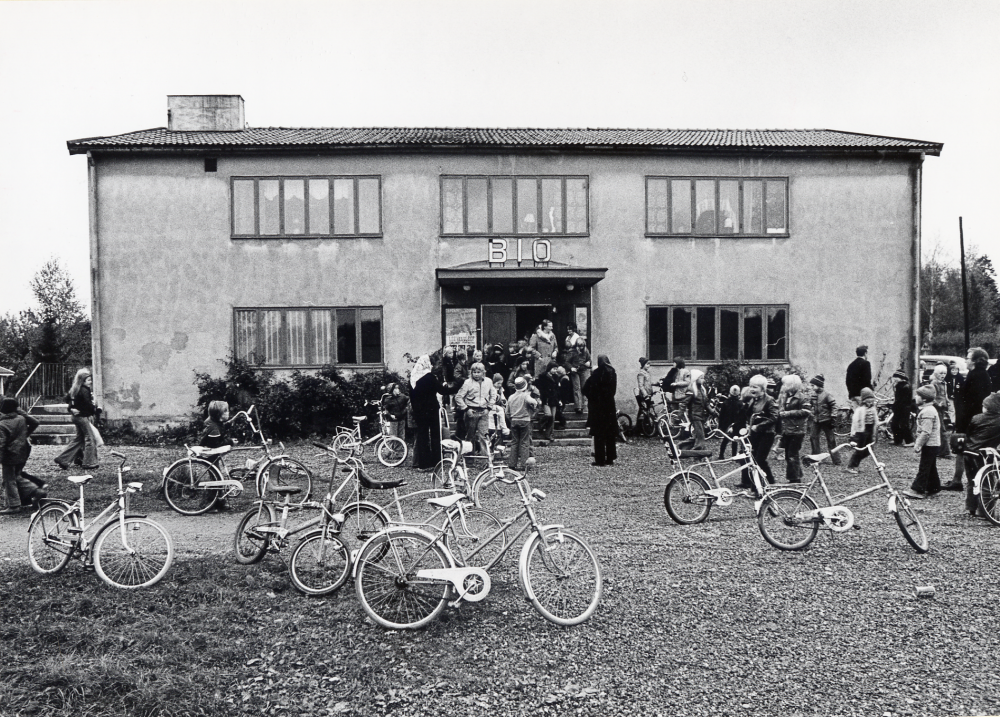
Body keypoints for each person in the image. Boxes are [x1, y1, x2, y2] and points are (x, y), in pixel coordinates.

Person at [943, 347, 994, 491]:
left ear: (976, 361)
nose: (965, 360)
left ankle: (959, 481)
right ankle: (958, 479)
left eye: (968, 357)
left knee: (962, 450)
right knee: (963, 450)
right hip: (971, 420)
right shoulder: (977, 374)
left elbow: (973, 402)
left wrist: (963, 423)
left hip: (970, 421)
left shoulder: (977, 376)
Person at [410, 355, 456, 470]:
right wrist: (458, 386)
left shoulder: (413, 378)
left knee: (422, 436)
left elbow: (412, 398)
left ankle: (422, 463)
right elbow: (442, 390)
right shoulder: (429, 377)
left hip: (419, 412)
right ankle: (436, 461)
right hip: (431, 410)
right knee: (435, 436)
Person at [0, 397, 44, 513]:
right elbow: (34, 422)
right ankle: (35, 491)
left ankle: (14, 505)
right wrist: (26, 434)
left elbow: (1, 444)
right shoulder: (21, 418)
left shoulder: (2, 424)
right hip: (23, 450)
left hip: (9, 455)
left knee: (9, 479)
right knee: (17, 476)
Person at [960, 392, 1000, 517]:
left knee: (972, 480)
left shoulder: (976, 418)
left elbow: (969, 433)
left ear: (986, 407)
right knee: (987, 482)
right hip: (986, 453)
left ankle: (971, 507)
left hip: (969, 452)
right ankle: (985, 511)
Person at [55, 368, 100, 470]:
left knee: (79, 439)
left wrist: (72, 408)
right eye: (89, 380)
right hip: (82, 417)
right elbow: (88, 404)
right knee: (90, 438)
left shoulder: (74, 388)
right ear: (83, 380)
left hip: (76, 417)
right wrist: (95, 410)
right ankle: (89, 463)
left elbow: (67, 400)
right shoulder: (85, 390)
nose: (91, 382)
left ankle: (63, 459)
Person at [904, 385, 942, 499]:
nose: (915, 397)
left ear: (924, 399)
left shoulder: (928, 412)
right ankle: (933, 487)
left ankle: (918, 489)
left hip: (930, 444)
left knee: (924, 467)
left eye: (918, 395)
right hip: (932, 444)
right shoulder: (928, 410)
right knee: (930, 466)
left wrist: (918, 444)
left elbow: (926, 432)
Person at [454, 361, 497, 458]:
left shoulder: (489, 381)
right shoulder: (467, 383)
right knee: (470, 435)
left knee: (484, 435)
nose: (476, 374)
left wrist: (489, 407)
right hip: (471, 411)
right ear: (471, 373)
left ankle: (486, 459)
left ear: (483, 372)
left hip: (483, 411)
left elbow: (493, 395)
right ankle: (469, 458)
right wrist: (466, 409)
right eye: (474, 372)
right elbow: (458, 397)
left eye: (479, 372)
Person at [743, 375, 778, 489]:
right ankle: (756, 487)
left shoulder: (769, 400)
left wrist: (758, 426)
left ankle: (770, 483)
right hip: (755, 434)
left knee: (760, 460)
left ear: (763, 389)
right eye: (750, 386)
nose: (752, 389)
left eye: (755, 387)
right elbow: (749, 414)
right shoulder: (753, 400)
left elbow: (774, 417)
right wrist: (748, 424)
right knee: (752, 459)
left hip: (767, 434)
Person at [582, 355, 618, 467]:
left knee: (599, 435)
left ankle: (600, 460)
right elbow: (613, 391)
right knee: (610, 434)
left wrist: (592, 397)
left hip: (598, 408)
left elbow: (585, 389)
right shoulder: (613, 372)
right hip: (610, 407)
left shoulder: (596, 374)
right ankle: (610, 458)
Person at [198, 400, 234, 510]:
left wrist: (228, 424)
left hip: (211, 453)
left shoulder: (214, 422)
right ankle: (209, 504)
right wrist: (230, 441)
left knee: (217, 477)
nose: (228, 413)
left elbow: (221, 428)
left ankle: (219, 502)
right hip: (210, 454)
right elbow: (216, 444)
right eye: (226, 411)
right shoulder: (213, 429)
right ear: (219, 415)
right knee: (215, 478)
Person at [778, 374, 811, 483]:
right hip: (788, 429)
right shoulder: (786, 396)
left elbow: (806, 412)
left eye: (785, 383)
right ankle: (795, 476)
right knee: (788, 455)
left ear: (792, 385)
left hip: (797, 430)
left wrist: (788, 413)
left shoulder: (802, 397)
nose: (783, 386)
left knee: (792, 454)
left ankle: (795, 479)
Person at [506, 376, 537, 472]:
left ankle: (512, 464)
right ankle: (524, 464)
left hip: (514, 420)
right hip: (524, 420)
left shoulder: (511, 397)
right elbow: (532, 401)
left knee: (514, 442)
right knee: (524, 443)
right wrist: (534, 405)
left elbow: (507, 412)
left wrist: (511, 419)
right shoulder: (525, 395)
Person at [808, 374, 841, 465]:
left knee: (831, 440)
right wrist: (809, 411)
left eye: (813, 385)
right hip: (816, 421)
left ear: (819, 385)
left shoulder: (827, 395)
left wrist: (833, 418)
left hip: (827, 421)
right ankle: (816, 458)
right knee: (813, 437)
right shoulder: (813, 396)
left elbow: (834, 406)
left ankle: (836, 460)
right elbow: (810, 405)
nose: (812, 387)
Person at [845, 387, 878, 474]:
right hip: (861, 432)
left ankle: (855, 464)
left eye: (872, 401)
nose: (870, 403)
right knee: (860, 450)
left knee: (868, 450)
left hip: (870, 431)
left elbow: (875, 421)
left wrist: (877, 428)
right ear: (864, 400)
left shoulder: (873, 409)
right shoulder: (860, 410)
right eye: (868, 401)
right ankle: (851, 466)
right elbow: (855, 423)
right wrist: (853, 436)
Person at [534, 362, 561, 444]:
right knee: (548, 414)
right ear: (549, 368)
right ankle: (541, 424)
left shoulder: (556, 377)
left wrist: (559, 400)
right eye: (554, 369)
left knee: (552, 417)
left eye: (556, 369)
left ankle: (550, 434)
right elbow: (540, 388)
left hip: (554, 399)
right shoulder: (543, 376)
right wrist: (541, 398)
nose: (555, 371)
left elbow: (558, 390)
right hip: (546, 399)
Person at [930, 364, 951, 459]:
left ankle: (942, 450)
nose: (943, 375)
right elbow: (931, 396)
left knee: (941, 428)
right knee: (941, 429)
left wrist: (947, 402)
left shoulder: (944, 383)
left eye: (944, 373)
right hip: (937, 408)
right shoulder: (934, 383)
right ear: (936, 374)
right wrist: (938, 404)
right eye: (941, 373)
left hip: (943, 408)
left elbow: (945, 395)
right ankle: (944, 451)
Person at [685, 369, 710, 450]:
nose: (703, 380)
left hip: (701, 416)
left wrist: (713, 412)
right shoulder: (692, 389)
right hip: (695, 416)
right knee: (701, 437)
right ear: (696, 379)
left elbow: (706, 404)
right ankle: (698, 454)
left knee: (696, 435)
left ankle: (682, 448)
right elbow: (684, 403)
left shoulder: (702, 390)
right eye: (701, 378)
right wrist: (680, 414)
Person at [565, 338, 592, 413]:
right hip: (575, 371)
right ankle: (578, 407)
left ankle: (584, 405)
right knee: (577, 388)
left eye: (582, 346)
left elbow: (589, 359)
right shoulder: (572, 352)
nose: (581, 348)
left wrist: (589, 363)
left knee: (584, 387)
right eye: (579, 346)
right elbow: (566, 362)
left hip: (583, 370)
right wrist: (571, 368)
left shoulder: (586, 351)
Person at [716, 385, 743, 459]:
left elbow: (721, 416)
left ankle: (721, 455)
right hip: (736, 424)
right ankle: (734, 455)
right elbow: (741, 416)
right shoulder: (740, 404)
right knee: (735, 440)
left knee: (725, 440)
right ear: (739, 393)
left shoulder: (725, 403)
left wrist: (720, 426)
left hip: (726, 424)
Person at [890, 370, 915, 447]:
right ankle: (898, 440)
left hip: (903, 408)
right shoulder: (901, 385)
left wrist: (894, 406)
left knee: (903, 424)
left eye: (896, 377)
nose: (894, 379)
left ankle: (909, 441)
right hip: (901, 407)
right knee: (895, 423)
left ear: (901, 378)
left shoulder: (904, 386)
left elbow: (901, 399)